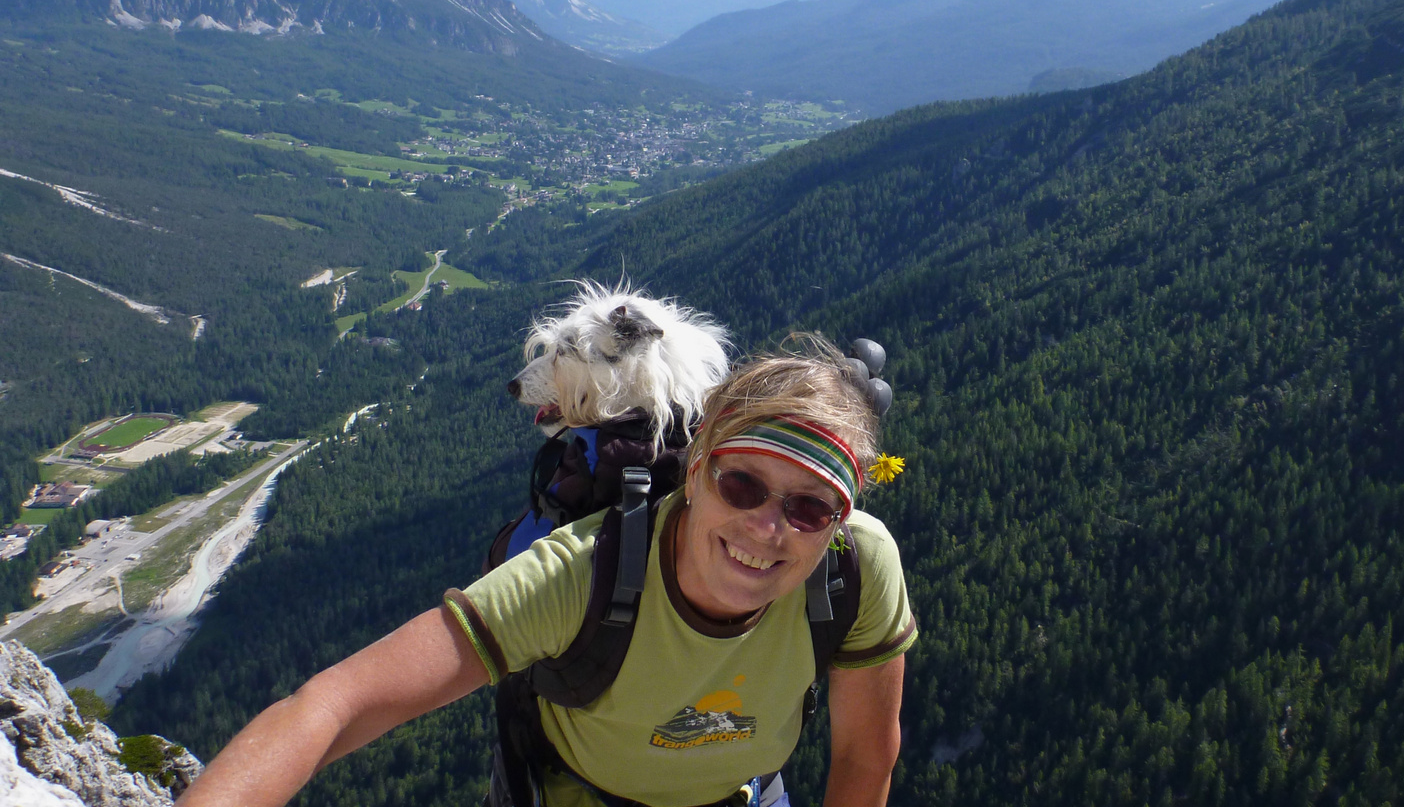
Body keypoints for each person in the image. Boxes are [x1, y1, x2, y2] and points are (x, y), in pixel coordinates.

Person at [178, 341, 917, 807]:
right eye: (742, 486)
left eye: (811, 509)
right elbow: (334, 704)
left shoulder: (856, 567)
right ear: (695, 472)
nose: (767, 528)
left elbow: (863, 754)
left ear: (841, 517)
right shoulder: (583, 574)